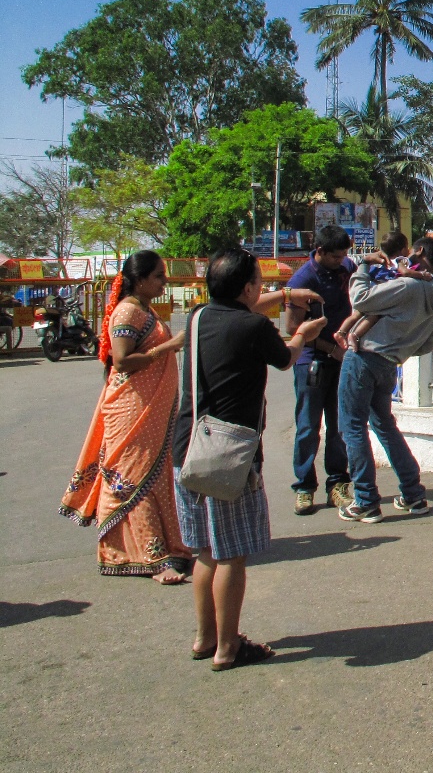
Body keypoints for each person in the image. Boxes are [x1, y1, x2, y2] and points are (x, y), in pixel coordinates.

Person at [175, 246, 326, 670]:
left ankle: (205, 638)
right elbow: (286, 358)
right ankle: (228, 647)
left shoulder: (197, 317)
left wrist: (282, 296)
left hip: (188, 446)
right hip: (229, 454)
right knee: (231, 554)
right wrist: (302, 334)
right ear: (246, 288)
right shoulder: (255, 327)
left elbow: (239, 311)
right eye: (259, 283)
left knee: (205, 550)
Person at [61, 251, 193, 583]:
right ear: (140, 280)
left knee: (155, 473)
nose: (165, 282)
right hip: (131, 408)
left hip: (149, 409)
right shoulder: (127, 312)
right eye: (159, 277)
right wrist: (171, 346)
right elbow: (121, 361)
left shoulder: (143, 309)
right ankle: (148, 557)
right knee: (136, 476)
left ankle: (166, 547)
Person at [336, 235, 433, 523]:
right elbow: (426, 345)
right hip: (390, 364)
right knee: (384, 425)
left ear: (418, 252)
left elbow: (360, 298)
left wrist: (360, 266)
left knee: (353, 427)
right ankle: (413, 494)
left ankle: (366, 500)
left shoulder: (407, 284)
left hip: (365, 357)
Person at [284, 225, 356, 516]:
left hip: (341, 358)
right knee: (307, 427)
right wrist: (330, 348)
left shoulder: (346, 269)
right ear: (321, 252)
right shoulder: (303, 280)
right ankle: (304, 486)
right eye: (336, 257)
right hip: (312, 361)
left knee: (339, 426)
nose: (342, 261)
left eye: (344, 256)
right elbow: (291, 328)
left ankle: (337, 484)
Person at [332, 230, 413, 352]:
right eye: (407, 248)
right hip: (378, 295)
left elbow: (370, 274)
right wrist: (422, 275)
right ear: (402, 250)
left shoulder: (379, 263)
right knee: (374, 316)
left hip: (370, 287)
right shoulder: (398, 263)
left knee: (356, 314)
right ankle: (355, 335)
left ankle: (341, 332)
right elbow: (405, 273)